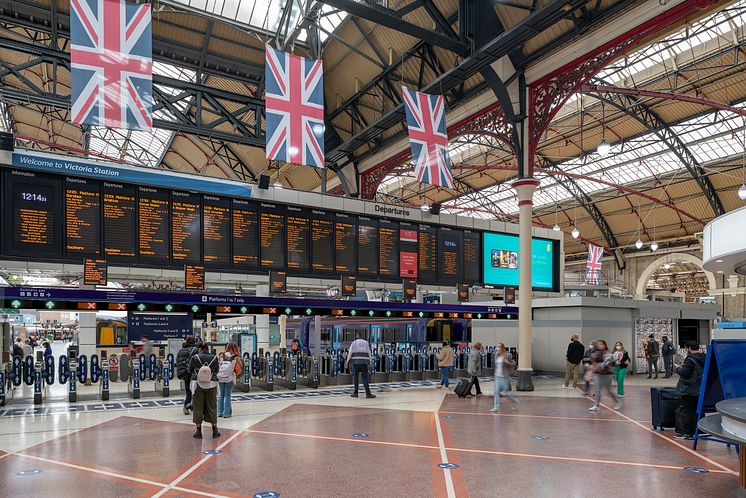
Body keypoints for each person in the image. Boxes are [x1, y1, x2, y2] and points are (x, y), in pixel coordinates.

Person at [673, 341, 705, 439]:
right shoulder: (705, 357)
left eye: (686, 349)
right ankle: (699, 429)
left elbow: (685, 373)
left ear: (690, 348)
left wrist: (678, 369)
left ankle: (687, 432)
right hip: (701, 388)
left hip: (689, 389)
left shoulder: (690, 359)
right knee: (698, 409)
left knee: (688, 411)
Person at [188, 342, 220, 439]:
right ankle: (215, 430)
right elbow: (216, 370)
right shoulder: (214, 357)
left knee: (198, 407)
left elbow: (189, 370)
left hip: (197, 384)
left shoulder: (194, 357)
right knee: (212, 406)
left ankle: (198, 431)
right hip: (212, 384)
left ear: (200, 349)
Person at [589, 340, 623, 411]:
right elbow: (593, 362)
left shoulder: (609, 353)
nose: (600, 345)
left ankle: (618, 402)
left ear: (605, 345)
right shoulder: (596, 352)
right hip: (597, 374)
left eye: (601, 344)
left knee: (609, 391)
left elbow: (608, 363)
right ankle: (596, 405)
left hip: (607, 374)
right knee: (597, 390)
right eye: (598, 344)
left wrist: (603, 364)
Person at [345, 334, 376, 399]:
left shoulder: (354, 343)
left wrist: (347, 362)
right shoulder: (366, 343)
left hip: (356, 363)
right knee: (365, 378)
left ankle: (355, 393)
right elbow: (369, 353)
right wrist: (370, 362)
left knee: (356, 378)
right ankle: (368, 393)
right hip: (364, 363)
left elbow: (350, 353)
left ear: (356, 338)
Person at [491, 343, 518, 411]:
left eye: (499, 347)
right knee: (496, 391)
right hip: (497, 376)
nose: (497, 348)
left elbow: (514, 363)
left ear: (502, 348)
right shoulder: (497, 355)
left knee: (506, 392)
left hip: (504, 377)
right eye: (497, 347)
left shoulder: (507, 355)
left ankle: (514, 401)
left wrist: (507, 362)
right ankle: (496, 407)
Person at [217, 342, 242, 418]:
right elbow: (240, 366)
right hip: (229, 378)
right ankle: (227, 413)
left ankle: (219, 412)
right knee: (227, 396)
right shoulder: (236, 357)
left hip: (220, 377)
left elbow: (218, 365)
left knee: (221, 395)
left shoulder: (222, 355)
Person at [176, 336, 198, 415]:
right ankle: (192, 406)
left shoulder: (181, 351)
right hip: (194, 373)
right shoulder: (196, 350)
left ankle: (186, 407)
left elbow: (178, 362)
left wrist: (180, 373)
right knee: (195, 390)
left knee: (188, 391)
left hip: (185, 373)